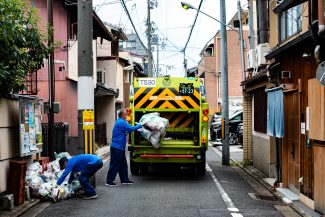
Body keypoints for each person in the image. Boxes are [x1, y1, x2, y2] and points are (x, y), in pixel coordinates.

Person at [106, 109, 142, 186]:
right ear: (122, 115)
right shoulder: (121, 122)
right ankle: (109, 181)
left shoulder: (121, 122)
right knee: (115, 164)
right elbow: (131, 129)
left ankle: (124, 180)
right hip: (117, 148)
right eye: (125, 114)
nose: (127, 116)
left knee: (123, 165)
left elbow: (127, 130)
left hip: (120, 148)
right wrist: (140, 125)